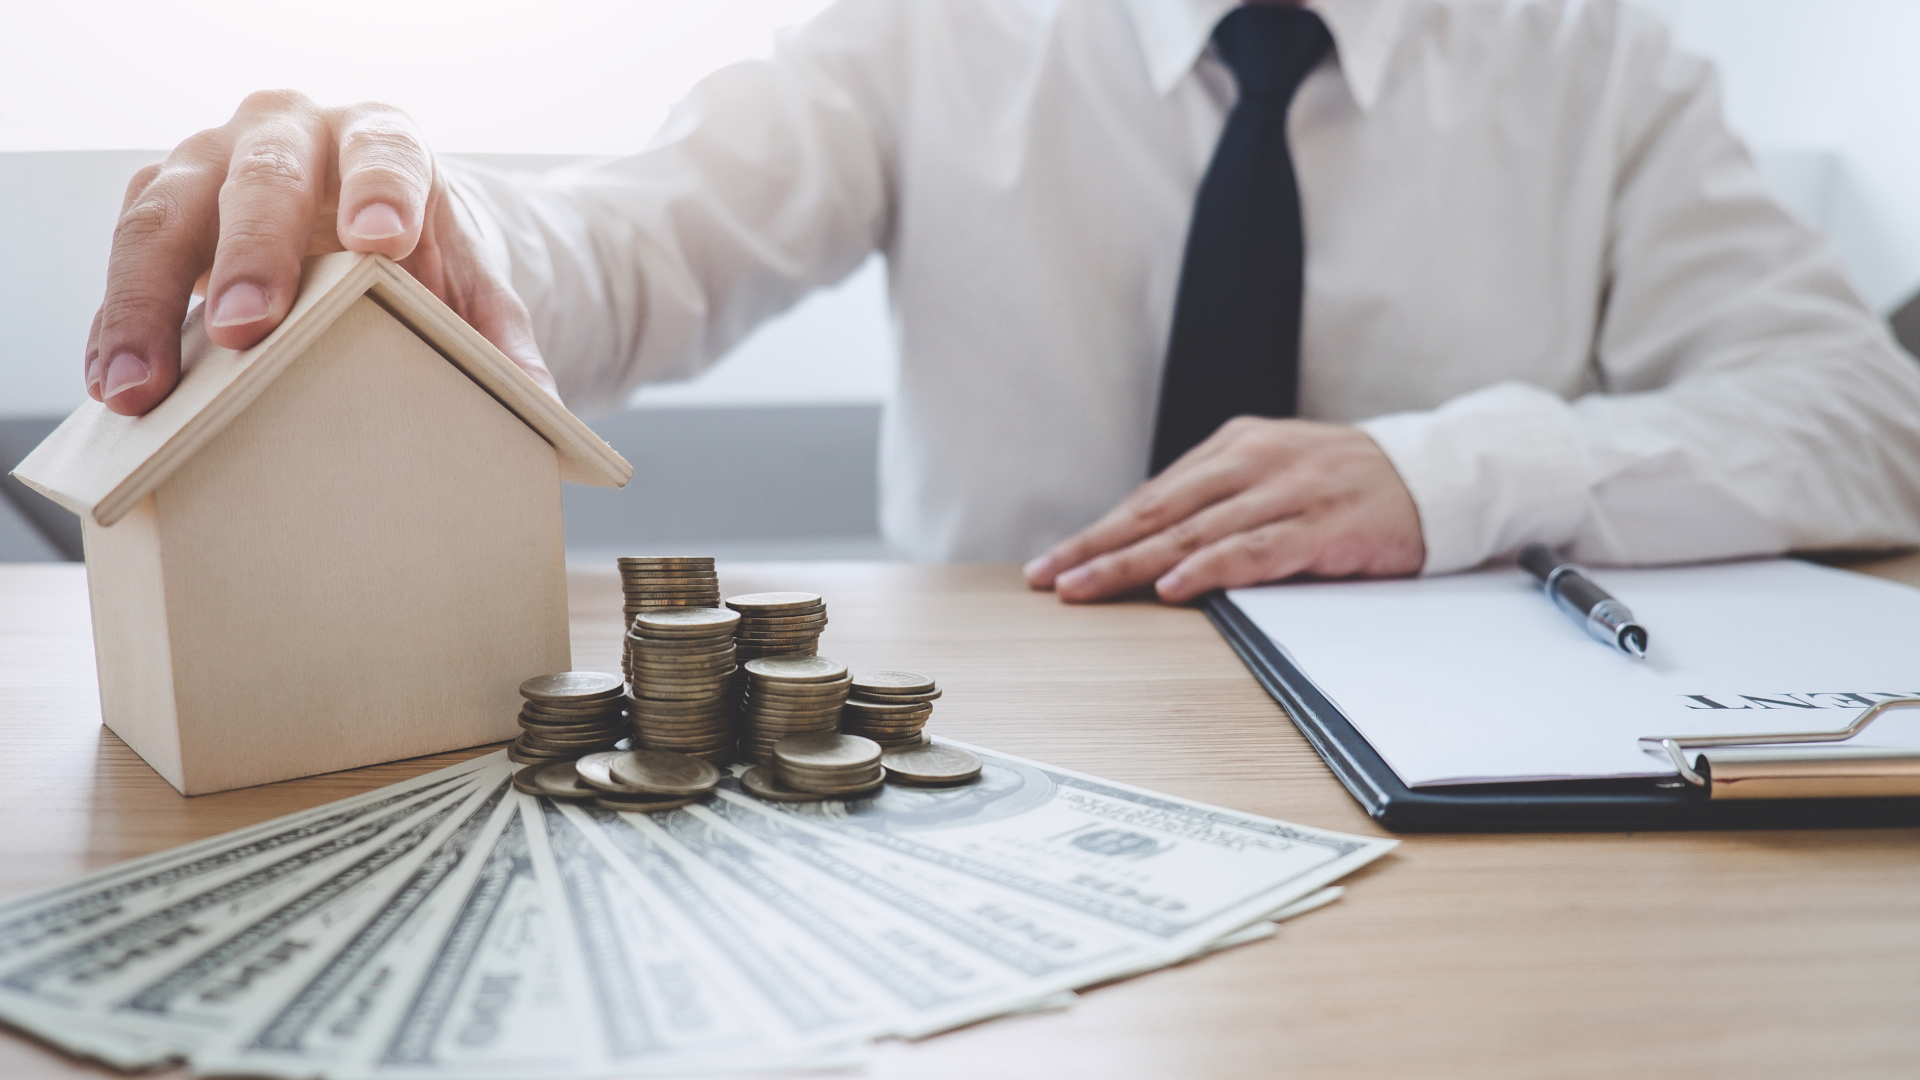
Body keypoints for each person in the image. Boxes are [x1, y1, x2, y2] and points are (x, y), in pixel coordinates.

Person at [80, 0, 1920, 605]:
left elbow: (1866, 415)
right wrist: (421, 223)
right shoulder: (942, 25)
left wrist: (1451, 478)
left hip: (1469, 806)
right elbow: (630, 251)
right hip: (999, 759)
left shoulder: (1596, 51)